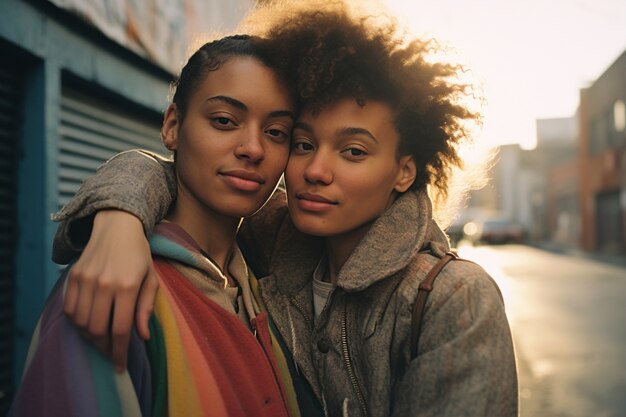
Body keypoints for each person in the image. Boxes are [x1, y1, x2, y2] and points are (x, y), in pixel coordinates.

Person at [50, 1, 519, 416]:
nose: (316, 170)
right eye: (301, 142)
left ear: (405, 171)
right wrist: (120, 217)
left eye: (354, 151)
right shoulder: (273, 241)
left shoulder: (451, 298)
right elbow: (183, 174)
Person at [9, 33, 326, 417]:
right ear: (173, 126)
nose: (253, 148)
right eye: (224, 120)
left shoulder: (271, 286)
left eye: (276, 132)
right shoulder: (112, 288)